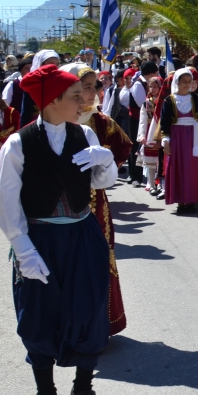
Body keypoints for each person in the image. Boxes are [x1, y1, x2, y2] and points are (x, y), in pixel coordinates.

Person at [0, 64, 118, 395]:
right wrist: (23, 249)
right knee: (39, 316)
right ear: (51, 101)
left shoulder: (85, 134)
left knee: (89, 312)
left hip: (82, 235)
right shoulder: (19, 144)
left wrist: (105, 160)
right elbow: (6, 202)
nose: (84, 102)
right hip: (41, 239)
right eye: (76, 96)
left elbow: (102, 182)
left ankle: (83, 389)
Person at [67, 64, 132, 336]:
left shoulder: (102, 122)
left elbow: (124, 146)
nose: (93, 92)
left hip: (95, 202)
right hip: (61, 205)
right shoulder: (52, 123)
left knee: (97, 257)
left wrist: (106, 167)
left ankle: (100, 325)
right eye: (86, 87)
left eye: (95, 86)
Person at [158, 69, 198, 215]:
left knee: (192, 167)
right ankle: (180, 201)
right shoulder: (169, 101)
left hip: (193, 137)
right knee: (177, 166)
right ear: (176, 82)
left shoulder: (196, 98)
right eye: (184, 82)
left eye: (189, 82)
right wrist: (166, 141)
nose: (187, 84)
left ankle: (191, 200)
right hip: (177, 137)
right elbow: (164, 123)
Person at [136, 77, 163, 196]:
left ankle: (161, 184)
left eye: (155, 86)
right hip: (150, 133)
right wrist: (142, 135)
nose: (152, 89)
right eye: (150, 87)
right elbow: (142, 120)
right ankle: (151, 184)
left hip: (161, 132)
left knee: (161, 160)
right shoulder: (146, 103)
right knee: (150, 161)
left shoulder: (165, 102)